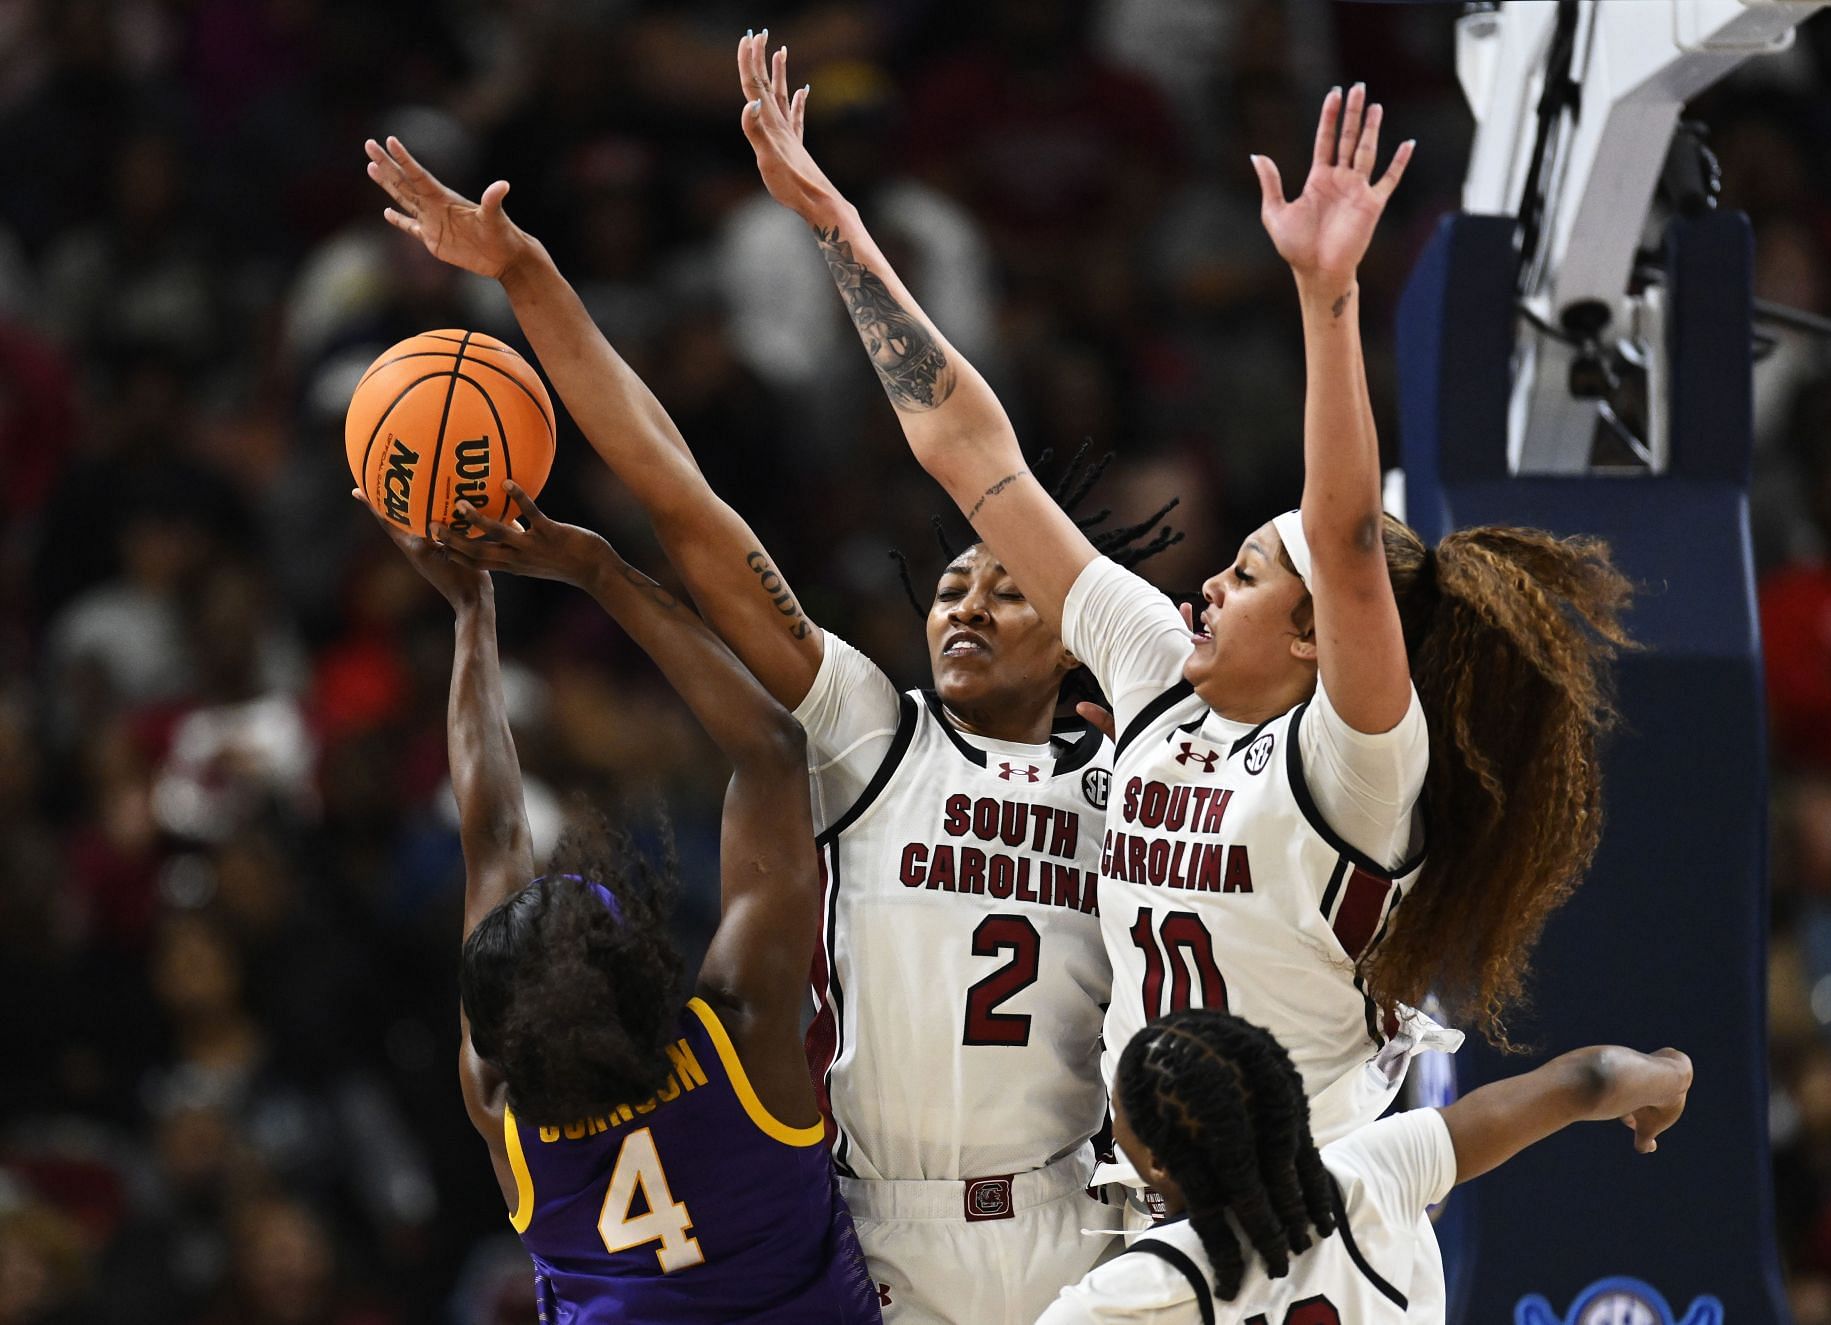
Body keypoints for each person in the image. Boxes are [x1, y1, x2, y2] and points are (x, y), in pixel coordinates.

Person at [739, 36, 1634, 1148]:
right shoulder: (1160, 667)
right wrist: (836, 223)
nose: (1208, 581)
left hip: (1312, 1217)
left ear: (1317, 637)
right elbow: (976, 454)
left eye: (1249, 574)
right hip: (1157, 1214)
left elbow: (1348, 538)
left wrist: (1327, 295)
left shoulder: (1356, 767)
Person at [365, 114, 1179, 1322]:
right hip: (881, 1232)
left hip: (1076, 1217)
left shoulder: (1140, 770)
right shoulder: (869, 732)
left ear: (1083, 639)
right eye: (953, 580)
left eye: (1010, 585)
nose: (964, 595)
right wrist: (530, 278)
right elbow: (681, 501)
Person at [351, 488, 880, 1322]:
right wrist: (597, 569)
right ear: (645, 961)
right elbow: (774, 750)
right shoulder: (737, 1040)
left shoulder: (504, 1113)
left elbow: (492, 839)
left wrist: (468, 613)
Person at [1037, 1009, 1692, 1322]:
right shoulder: (1376, 1169)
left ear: (1152, 1160)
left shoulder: (1130, 1291)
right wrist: (1672, 1076)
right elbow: (1591, 1077)